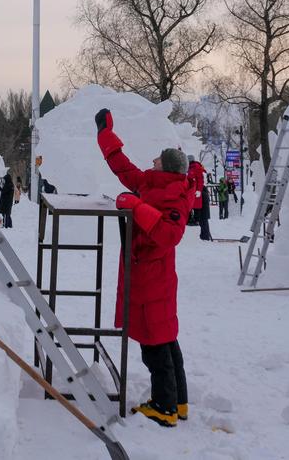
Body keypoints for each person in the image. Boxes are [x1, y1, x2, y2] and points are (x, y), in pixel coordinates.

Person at [95, 108, 192, 428]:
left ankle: (164, 408)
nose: (152, 161)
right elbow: (122, 167)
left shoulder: (174, 194)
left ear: (167, 166)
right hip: (147, 276)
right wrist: (105, 134)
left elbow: (169, 234)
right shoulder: (152, 183)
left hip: (153, 278)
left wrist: (136, 206)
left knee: (155, 344)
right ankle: (178, 402)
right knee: (165, 338)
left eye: (157, 160)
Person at [188, 155, 211, 241]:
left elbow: (200, 180)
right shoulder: (191, 168)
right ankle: (204, 235)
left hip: (201, 195)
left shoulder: (196, 167)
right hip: (198, 194)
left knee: (203, 217)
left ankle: (205, 236)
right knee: (202, 217)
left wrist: (198, 191)